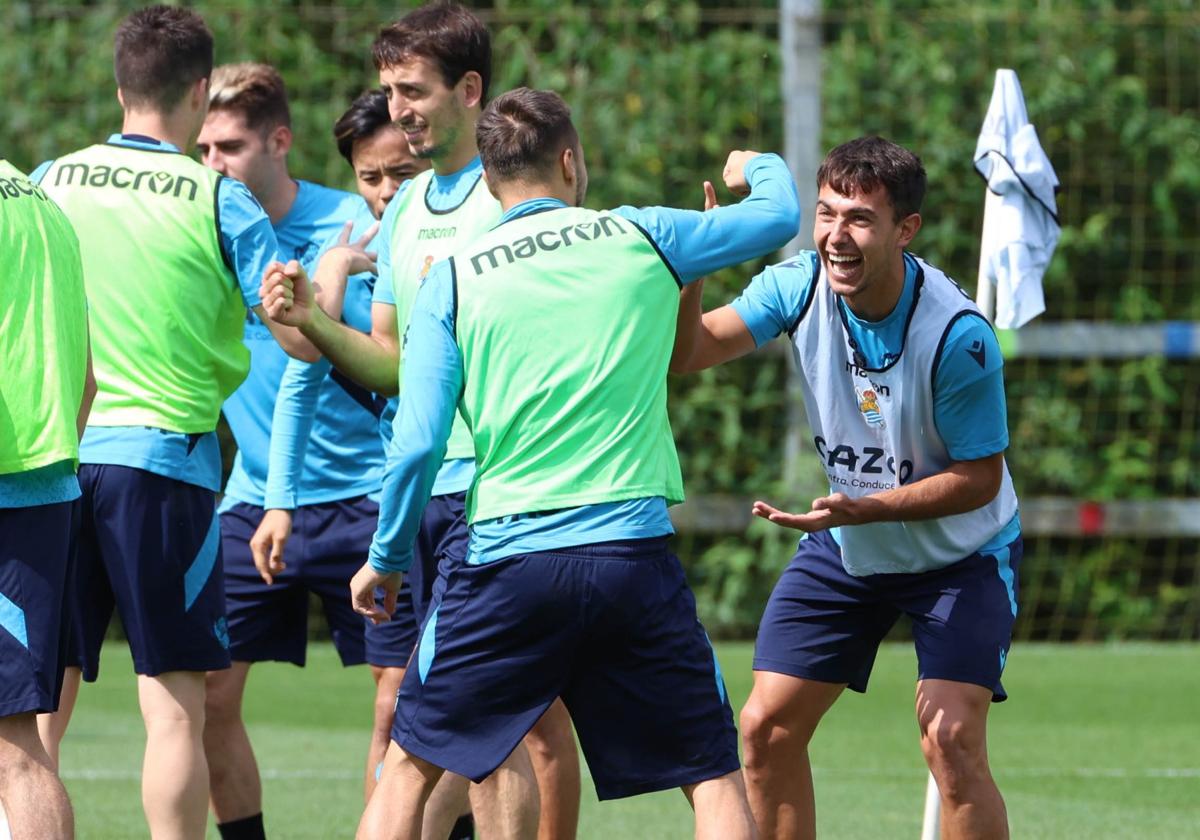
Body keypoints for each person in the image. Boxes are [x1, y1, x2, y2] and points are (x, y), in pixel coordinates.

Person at [269, 86, 800, 840]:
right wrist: (757, 165)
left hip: (505, 560)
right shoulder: (642, 234)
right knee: (711, 776)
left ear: (488, 181)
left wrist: (385, 558)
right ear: (571, 162)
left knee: (409, 771)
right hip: (629, 556)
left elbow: (417, 441)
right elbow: (781, 217)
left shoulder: (450, 277)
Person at [257, 5, 555, 837]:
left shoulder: (513, 200)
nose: (399, 110)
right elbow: (390, 361)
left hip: (501, 494)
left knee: (482, 734)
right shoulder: (411, 208)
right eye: (389, 91)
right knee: (445, 730)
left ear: (470, 91)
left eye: (413, 90)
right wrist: (316, 323)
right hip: (425, 492)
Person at [672, 135, 1021, 840]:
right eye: (827, 213)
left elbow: (980, 479)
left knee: (950, 742)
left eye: (859, 218)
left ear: (905, 229)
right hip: (850, 542)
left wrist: (868, 507)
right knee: (765, 729)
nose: (835, 235)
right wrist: (695, 265)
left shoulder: (957, 336)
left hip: (962, 555)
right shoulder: (798, 284)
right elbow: (690, 353)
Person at [33, 7, 314, 838]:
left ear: (120, 85)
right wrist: (316, 287)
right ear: (199, 91)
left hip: (53, 461)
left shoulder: (49, 179)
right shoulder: (219, 200)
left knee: (39, 705)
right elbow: (298, 338)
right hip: (161, 466)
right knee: (173, 703)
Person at [194, 62, 382, 840]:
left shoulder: (359, 220)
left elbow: (390, 350)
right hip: (251, 499)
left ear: (279, 141)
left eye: (229, 148)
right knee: (203, 700)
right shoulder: (199, 227)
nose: (212, 167)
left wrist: (327, 287)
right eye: (202, 148)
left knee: (408, 702)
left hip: (368, 495)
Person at [0, 160, 93, 840]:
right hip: (43, 483)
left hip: (10, 490)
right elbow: (87, 376)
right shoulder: (38, 199)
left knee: (13, 750)